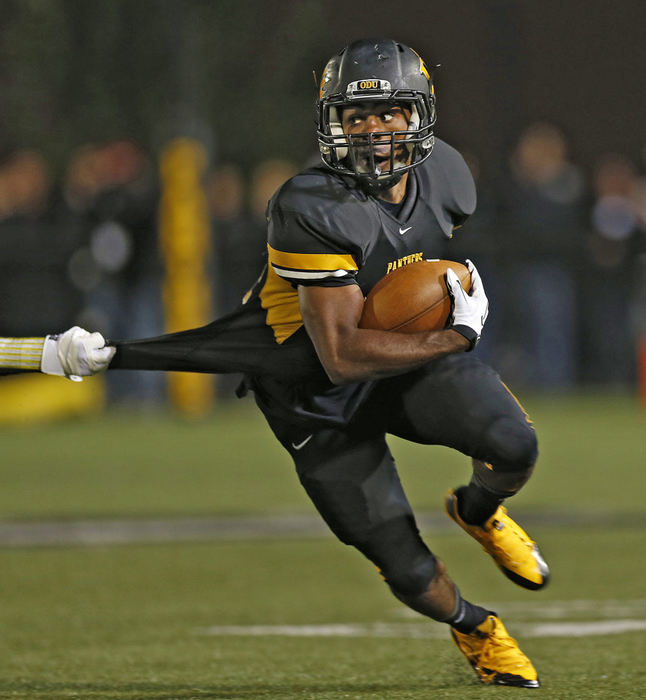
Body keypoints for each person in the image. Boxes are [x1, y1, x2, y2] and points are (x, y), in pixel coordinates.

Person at [0, 39, 548, 689]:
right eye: (355, 117)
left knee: (513, 443)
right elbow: (340, 355)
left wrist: (430, 314)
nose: (371, 130)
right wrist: (453, 337)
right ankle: (474, 627)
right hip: (313, 391)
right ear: (333, 123)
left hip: (405, 367)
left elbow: (406, 270)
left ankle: (479, 510)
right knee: (401, 563)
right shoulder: (311, 205)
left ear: (420, 114)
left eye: (389, 113)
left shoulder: (450, 177)